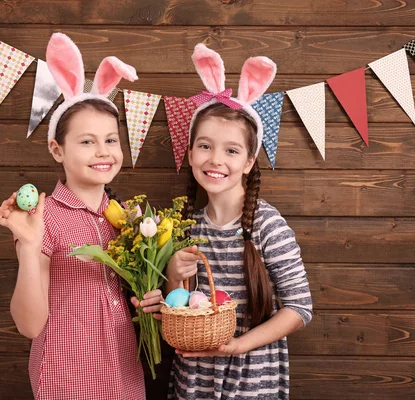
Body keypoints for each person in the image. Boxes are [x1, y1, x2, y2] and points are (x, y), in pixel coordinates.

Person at [0, 33, 161, 399]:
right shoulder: (42, 218)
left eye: (111, 140)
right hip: (66, 379)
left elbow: (141, 297)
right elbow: (29, 324)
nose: (103, 152)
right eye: (87, 141)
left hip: (125, 376)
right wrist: (29, 244)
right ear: (57, 149)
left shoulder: (130, 220)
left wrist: (157, 295)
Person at [165, 43, 313, 399]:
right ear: (189, 153)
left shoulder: (267, 225)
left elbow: (299, 309)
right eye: (205, 146)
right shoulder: (184, 226)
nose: (215, 159)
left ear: (249, 162)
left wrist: (238, 345)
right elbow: (178, 305)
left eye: (231, 150)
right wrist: (173, 271)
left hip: (252, 380)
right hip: (195, 379)